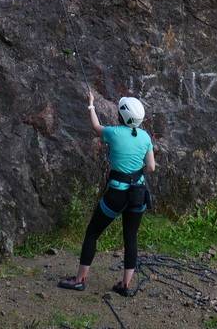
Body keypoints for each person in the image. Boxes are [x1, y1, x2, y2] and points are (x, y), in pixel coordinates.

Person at [58, 89, 155, 297]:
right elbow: (151, 167)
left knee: (93, 232)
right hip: (138, 194)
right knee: (130, 237)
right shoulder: (145, 137)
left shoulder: (113, 133)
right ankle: (125, 285)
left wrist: (91, 103)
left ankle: (80, 280)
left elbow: (95, 127)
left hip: (116, 195)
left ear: (121, 116)